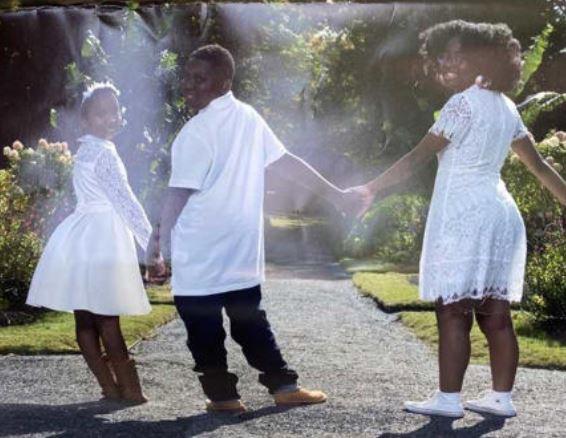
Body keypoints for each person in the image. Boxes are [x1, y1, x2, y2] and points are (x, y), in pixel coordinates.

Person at [350, 20, 566, 418]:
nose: (447, 64)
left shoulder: (462, 105)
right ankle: (501, 398)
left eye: (457, 56)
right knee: (495, 314)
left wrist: (370, 188)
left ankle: (448, 399)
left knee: (452, 309)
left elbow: (416, 158)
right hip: (499, 214)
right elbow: (538, 168)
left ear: (482, 59)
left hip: (465, 215)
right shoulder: (506, 106)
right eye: (443, 56)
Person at [147, 44, 363, 414]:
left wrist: (156, 248)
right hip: (238, 251)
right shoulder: (248, 117)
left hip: (201, 253)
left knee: (205, 328)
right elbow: (286, 163)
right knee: (248, 323)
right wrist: (336, 195)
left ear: (224, 82)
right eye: (187, 77)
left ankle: (226, 398)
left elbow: (177, 195)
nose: (188, 85)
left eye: (200, 78)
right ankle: (280, 387)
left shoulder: (196, 132)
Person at [26, 82, 152, 404]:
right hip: (102, 237)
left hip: (81, 236)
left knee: (85, 316)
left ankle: (109, 387)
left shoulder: (86, 150)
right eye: (101, 113)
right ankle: (131, 390)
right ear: (85, 120)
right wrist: (151, 243)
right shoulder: (104, 153)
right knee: (107, 315)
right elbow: (124, 200)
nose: (110, 117)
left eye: (114, 111)